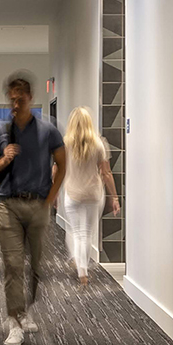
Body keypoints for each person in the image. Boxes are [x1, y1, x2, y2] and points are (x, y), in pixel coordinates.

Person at [0, 72, 66, 345]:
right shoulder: (1, 131)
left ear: (30, 98)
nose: (15, 104)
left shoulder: (48, 131)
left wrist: (51, 199)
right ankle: (15, 321)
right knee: (12, 265)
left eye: (20, 99)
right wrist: (3, 159)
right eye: (12, 100)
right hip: (8, 204)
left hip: (38, 205)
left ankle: (26, 309)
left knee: (36, 267)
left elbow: (63, 164)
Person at [62, 106, 120, 284]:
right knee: (86, 234)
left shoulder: (65, 143)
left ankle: (79, 264)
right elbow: (106, 173)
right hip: (93, 195)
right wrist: (115, 197)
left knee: (75, 232)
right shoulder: (98, 143)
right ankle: (83, 271)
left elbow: (57, 169)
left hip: (72, 194)